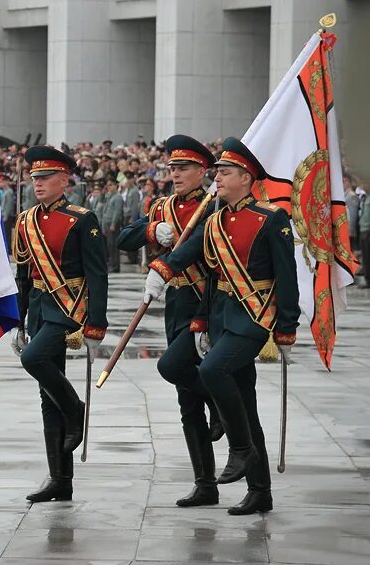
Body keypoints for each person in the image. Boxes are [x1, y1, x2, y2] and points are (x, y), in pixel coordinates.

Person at [144, 137, 299, 515]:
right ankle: (258, 486)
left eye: (224, 173)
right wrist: (161, 271)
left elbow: (287, 277)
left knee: (215, 371)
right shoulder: (215, 220)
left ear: (246, 178)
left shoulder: (271, 218)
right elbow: (191, 255)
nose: (218, 179)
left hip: (254, 317)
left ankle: (244, 453)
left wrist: (287, 327)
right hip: (219, 316)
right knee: (173, 367)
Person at [117, 134, 223, 508]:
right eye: (172, 169)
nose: (176, 175)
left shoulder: (213, 208)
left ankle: (221, 403)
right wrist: (151, 231)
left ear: (202, 171)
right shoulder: (162, 207)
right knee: (185, 399)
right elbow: (124, 238)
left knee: (171, 366)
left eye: (184, 169)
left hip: (204, 303)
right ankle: (205, 483)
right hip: (175, 303)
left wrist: (204, 319)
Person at [10, 145, 108, 506]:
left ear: (64, 180)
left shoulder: (82, 219)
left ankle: (76, 410)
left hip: (68, 310)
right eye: (34, 178)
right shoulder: (25, 221)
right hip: (38, 309)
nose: (38, 184)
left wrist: (97, 322)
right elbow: (23, 275)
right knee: (46, 396)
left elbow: (98, 274)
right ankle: (60, 479)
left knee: (33, 360)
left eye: (46, 178)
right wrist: (18, 320)